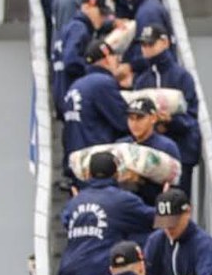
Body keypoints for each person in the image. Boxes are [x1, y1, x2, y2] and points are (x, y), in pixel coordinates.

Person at [55, 153, 156, 275]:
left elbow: (66, 220)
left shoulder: (75, 202)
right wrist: (167, 198)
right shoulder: (123, 201)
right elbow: (158, 221)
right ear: (117, 174)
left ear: (88, 174)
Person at [135, 25, 201, 193]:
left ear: (164, 42)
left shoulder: (182, 77)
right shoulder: (142, 80)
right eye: (143, 45)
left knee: (176, 204)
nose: (146, 49)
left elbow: (191, 118)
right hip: (151, 154)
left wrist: (170, 120)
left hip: (180, 151)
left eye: (150, 44)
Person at [63, 39, 130, 173]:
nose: (117, 61)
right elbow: (124, 122)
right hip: (96, 162)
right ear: (106, 58)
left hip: (76, 161)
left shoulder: (76, 85)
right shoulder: (102, 83)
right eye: (115, 57)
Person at [52, 0, 115, 113]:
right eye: (101, 13)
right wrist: (96, 69)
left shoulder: (70, 27)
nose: (103, 18)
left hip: (64, 94)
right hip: (72, 94)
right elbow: (71, 61)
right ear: (86, 7)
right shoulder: (79, 28)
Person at [117, 98, 182, 204]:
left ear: (153, 118)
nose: (134, 123)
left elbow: (174, 187)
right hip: (124, 208)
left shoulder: (166, 147)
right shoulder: (121, 145)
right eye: (131, 118)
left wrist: (139, 180)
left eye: (140, 118)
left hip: (153, 208)